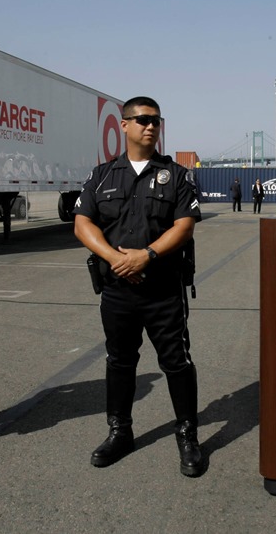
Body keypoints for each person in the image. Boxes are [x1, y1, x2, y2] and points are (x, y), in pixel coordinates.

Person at [73, 96, 205, 477]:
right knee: (119, 361)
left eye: (157, 122)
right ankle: (120, 431)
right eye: (143, 120)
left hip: (162, 288)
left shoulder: (177, 176)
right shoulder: (101, 176)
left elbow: (184, 226)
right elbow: (83, 224)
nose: (151, 127)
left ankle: (187, 434)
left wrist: (146, 255)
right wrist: (117, 259)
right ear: (124, 125)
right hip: (117, 289)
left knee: (176, 362)